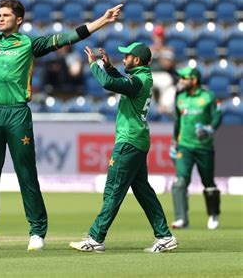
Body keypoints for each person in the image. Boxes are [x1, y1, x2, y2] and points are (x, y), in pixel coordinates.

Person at [0, 0, 122, 250]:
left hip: (17, 113)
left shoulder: (29, 44)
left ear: (18, 20)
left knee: (26, 174)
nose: (0, 18)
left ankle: (37, 232)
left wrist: (103, 21)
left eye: (5, 15)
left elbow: (69, 37)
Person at [70, 42, 178, 253]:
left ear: (136, 60)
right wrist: (109, 67)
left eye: (127, 56)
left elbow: (110, 84)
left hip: (128, 142)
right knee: (143, 191)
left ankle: (95, 237)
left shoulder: (139, 81)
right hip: (137, 140)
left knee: (113, 190)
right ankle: (164, 235)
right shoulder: (142, 78)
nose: (124, 59)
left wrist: (94, 66)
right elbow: (122, 81)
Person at [170, 66, 222, 230]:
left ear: (194, 80)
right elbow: (177, 122)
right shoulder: (180, 97)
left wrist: (209, 129)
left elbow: (217, 117)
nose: (181, 81)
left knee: (208, 183)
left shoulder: (208, 97)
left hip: (203, 148)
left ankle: (213, 214)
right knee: (180, 182)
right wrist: (174, 142)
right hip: (184, 146)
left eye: (184, 78)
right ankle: (181, 219)